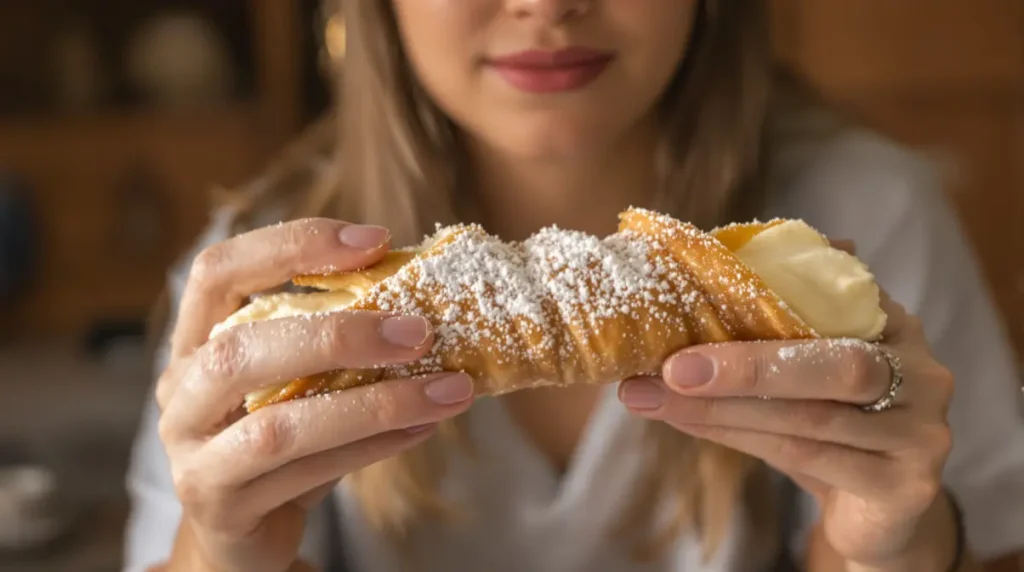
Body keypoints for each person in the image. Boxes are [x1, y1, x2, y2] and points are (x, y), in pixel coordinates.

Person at [123, 2, 1024, 571]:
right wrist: (225, 554)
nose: (547, 7)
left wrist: (899, 548)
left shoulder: (867, 218)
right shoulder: (261, 278)